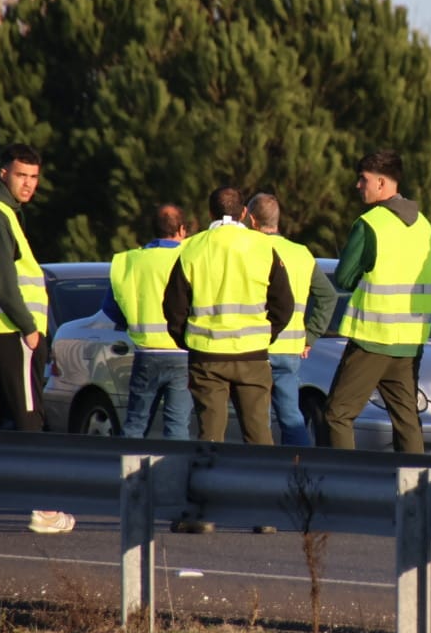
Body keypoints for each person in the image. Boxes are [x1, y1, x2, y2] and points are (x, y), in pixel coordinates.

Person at [0, 143, 73, 534]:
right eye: (22, 175)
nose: (29, 184)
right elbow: (2, 281)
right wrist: (28, 326)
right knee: (30, 419)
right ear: (4, 174)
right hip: (11, 334)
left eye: (34, 177)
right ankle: (44, 510)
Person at [324, 150, 431, 453]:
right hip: (409, 341)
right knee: (407, 420)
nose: (357, 186)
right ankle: (414, 488)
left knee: (338, 414)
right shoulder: (427, 228)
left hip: (372, 339)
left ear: (380, 183)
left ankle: (345, 486)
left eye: (362, 180)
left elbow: (345, 278)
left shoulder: (370, 223)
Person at [163, 187, 293, 446]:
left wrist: (188, 341)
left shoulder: (192, 248)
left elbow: (174, 306)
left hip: (207, 356)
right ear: (244, 212)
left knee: (210, 437)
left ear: (210, 212)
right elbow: (284, 304)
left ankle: (210, 484)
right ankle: (261, 486)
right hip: (253, 355)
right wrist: (266, 334)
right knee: (259, 436)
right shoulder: (263, 247)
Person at [244, 192, 337, 446]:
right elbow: (328, 296)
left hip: (255, 347)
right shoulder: (302, 253)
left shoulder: (249, 250)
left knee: (256, 419)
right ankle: (300, 471)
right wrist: (311, 336)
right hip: (291, 348)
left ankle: (257, 475)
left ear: (252, 220)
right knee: (291, 416)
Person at [105, 204, 193, 440]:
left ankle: (129, 475)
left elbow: (111, 309)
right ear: (182, 230)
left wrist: (133, 321)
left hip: (146, 353)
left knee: (135, 425)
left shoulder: (131, 262)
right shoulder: (190, 258)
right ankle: (174, 476)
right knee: (177, 429)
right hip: (183, 353)